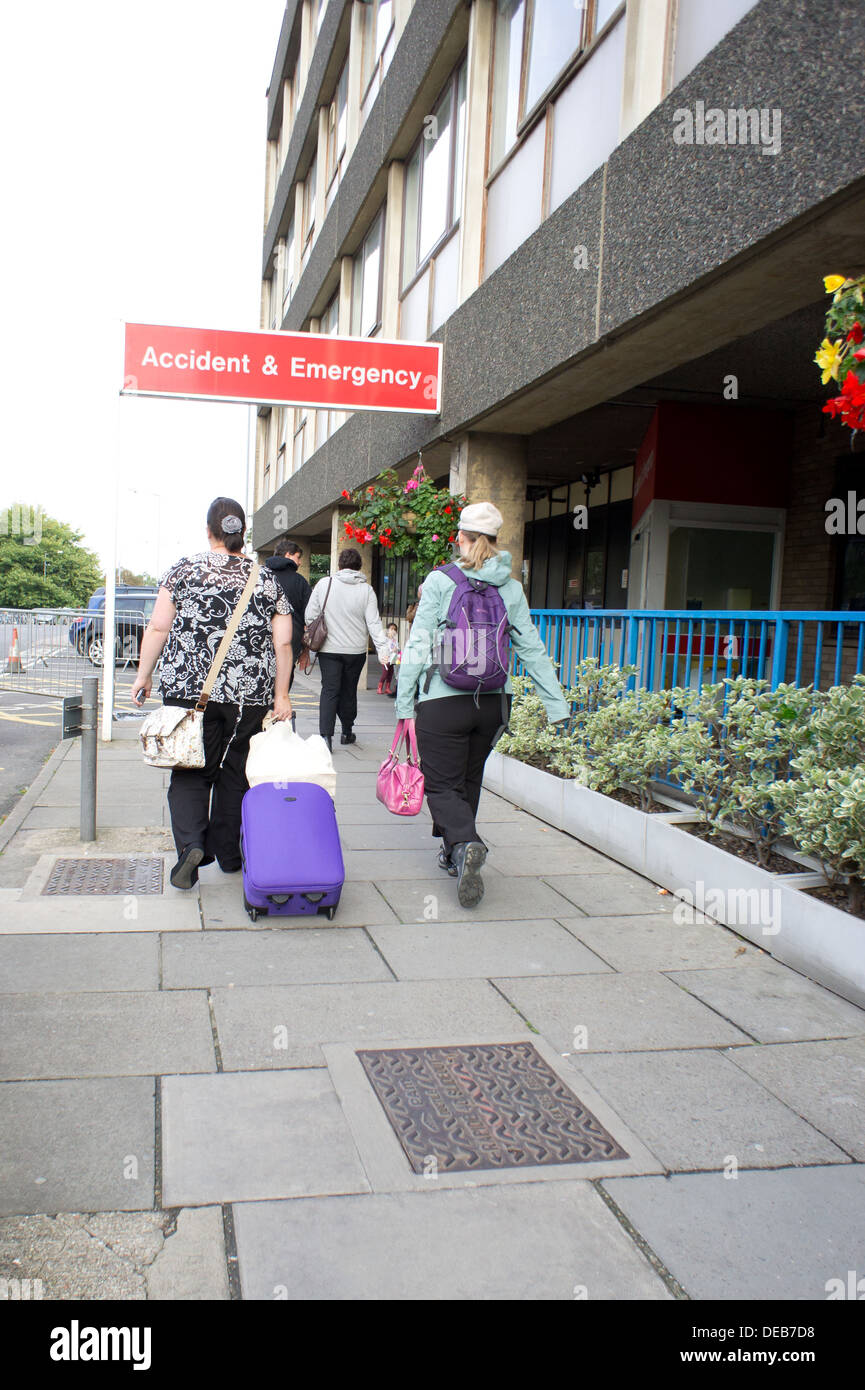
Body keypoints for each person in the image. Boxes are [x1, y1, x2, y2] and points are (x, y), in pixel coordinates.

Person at [395, 502, 569, 908]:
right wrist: (555, 704)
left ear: (464, 538)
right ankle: (454, 854)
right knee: (468, 780)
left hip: (443, 701)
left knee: (440, 784)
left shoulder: (441, 581)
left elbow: (418, 646)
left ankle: (466, 843)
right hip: (493, 704)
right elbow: (531, 648)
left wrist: (405, 705)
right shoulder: (511, 587)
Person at [131, 497, 294, 890]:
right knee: (234, 772)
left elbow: (157, 628)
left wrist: (143, 674)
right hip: (248, 696)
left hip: (189, 693)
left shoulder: (182, 572)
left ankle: (191, 844)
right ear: (242, 537)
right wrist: (283, 696)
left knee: (190, 769)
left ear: (209, 531)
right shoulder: (265, 578)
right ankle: (229, 855)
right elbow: (284, 644)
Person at [304, 547, 390, 751]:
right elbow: (374, 623)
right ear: (359, 567)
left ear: (339, 565)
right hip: (356, 651)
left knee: (330, 690)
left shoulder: (325, 584)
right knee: (349, 691)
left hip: (329, 649)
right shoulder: (366, 590)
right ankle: (347, 731)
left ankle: (326, 736)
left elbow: (310, 615)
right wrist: (383, 651)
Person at [264, 538, 311, 690]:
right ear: (289, 555)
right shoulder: (300, 582)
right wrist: (305, 649)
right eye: (298, 557)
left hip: (262, 641)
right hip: (291, 642)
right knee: (283, 685)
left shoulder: (261, 576)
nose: (300, 562)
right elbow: (309, 617)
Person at [378, 623, 400, 695]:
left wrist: (397, 649)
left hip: (393, 658)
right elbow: (384, 648)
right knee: (385, 673)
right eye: (391, 629)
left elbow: (397, 647)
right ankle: (380, 688)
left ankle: (387, 688)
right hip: (386, 658)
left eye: (395, 629)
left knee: (390, 673)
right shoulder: (385, 639)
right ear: (388, 630)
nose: (393, 631)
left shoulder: (395, 639)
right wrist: (391, 650)